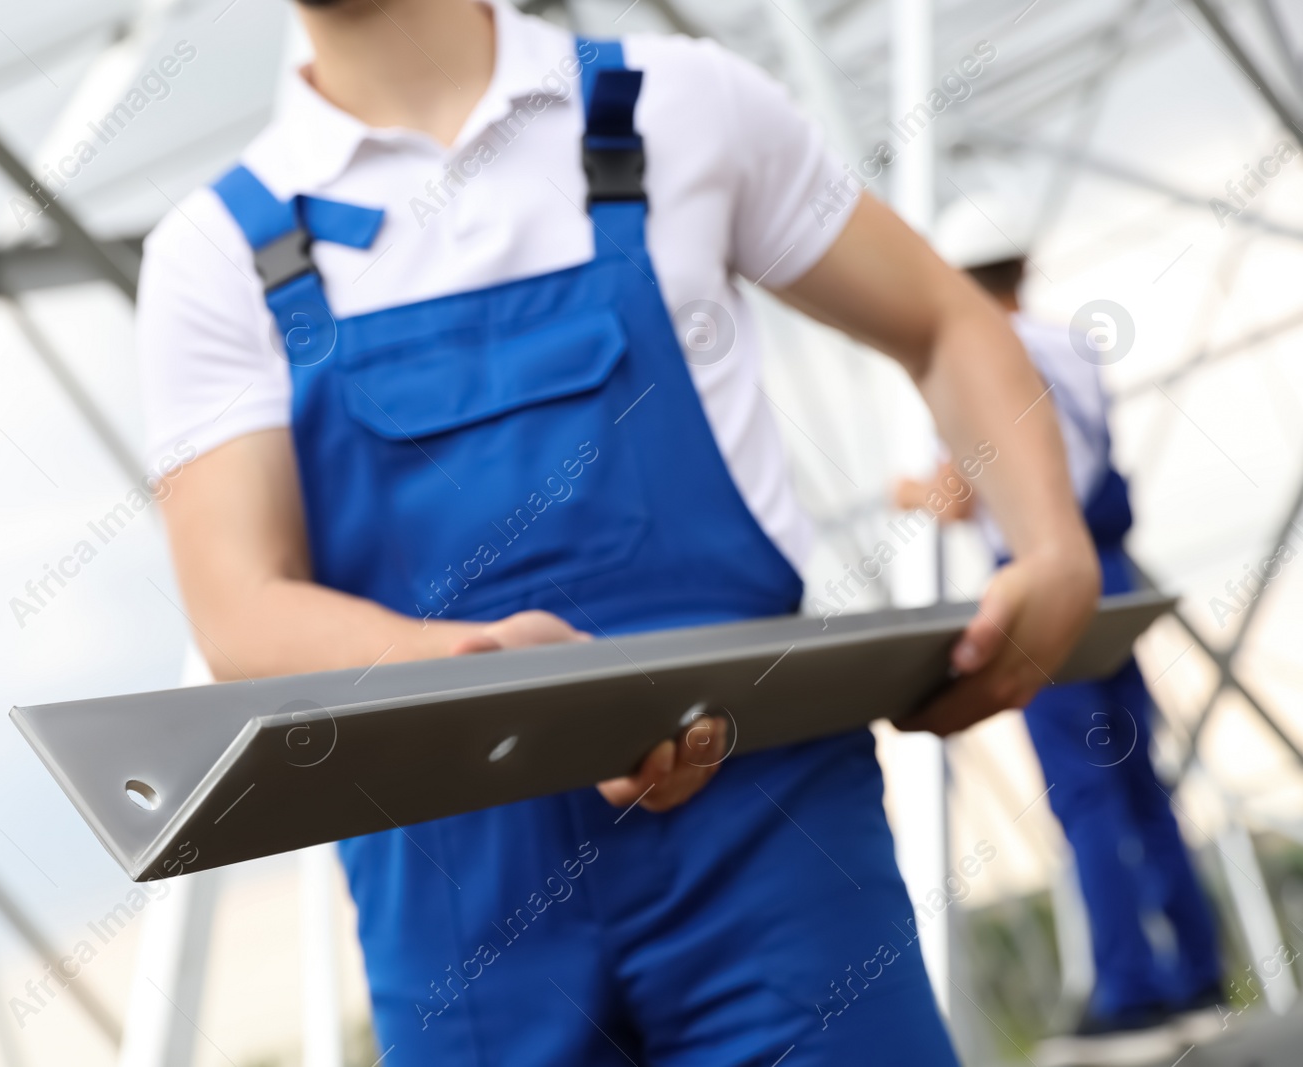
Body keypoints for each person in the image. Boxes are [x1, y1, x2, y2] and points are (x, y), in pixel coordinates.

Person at [138, 2, 1099, 1063]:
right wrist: (481, 669)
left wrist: (1051, 544)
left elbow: (946, 319)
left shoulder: (684, 103)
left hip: (771, 846)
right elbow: (238, 604)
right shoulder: (220, 251)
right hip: (461, 913)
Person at [898, 198, 1225, 1066]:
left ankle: (1130, 996)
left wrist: (910, 494)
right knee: (1140, 786)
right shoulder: (1071, 346)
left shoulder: (980, 359)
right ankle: (1197, 976)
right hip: (1107, 579)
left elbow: (959, 498)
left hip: (1041, 586)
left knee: (1081, 796)